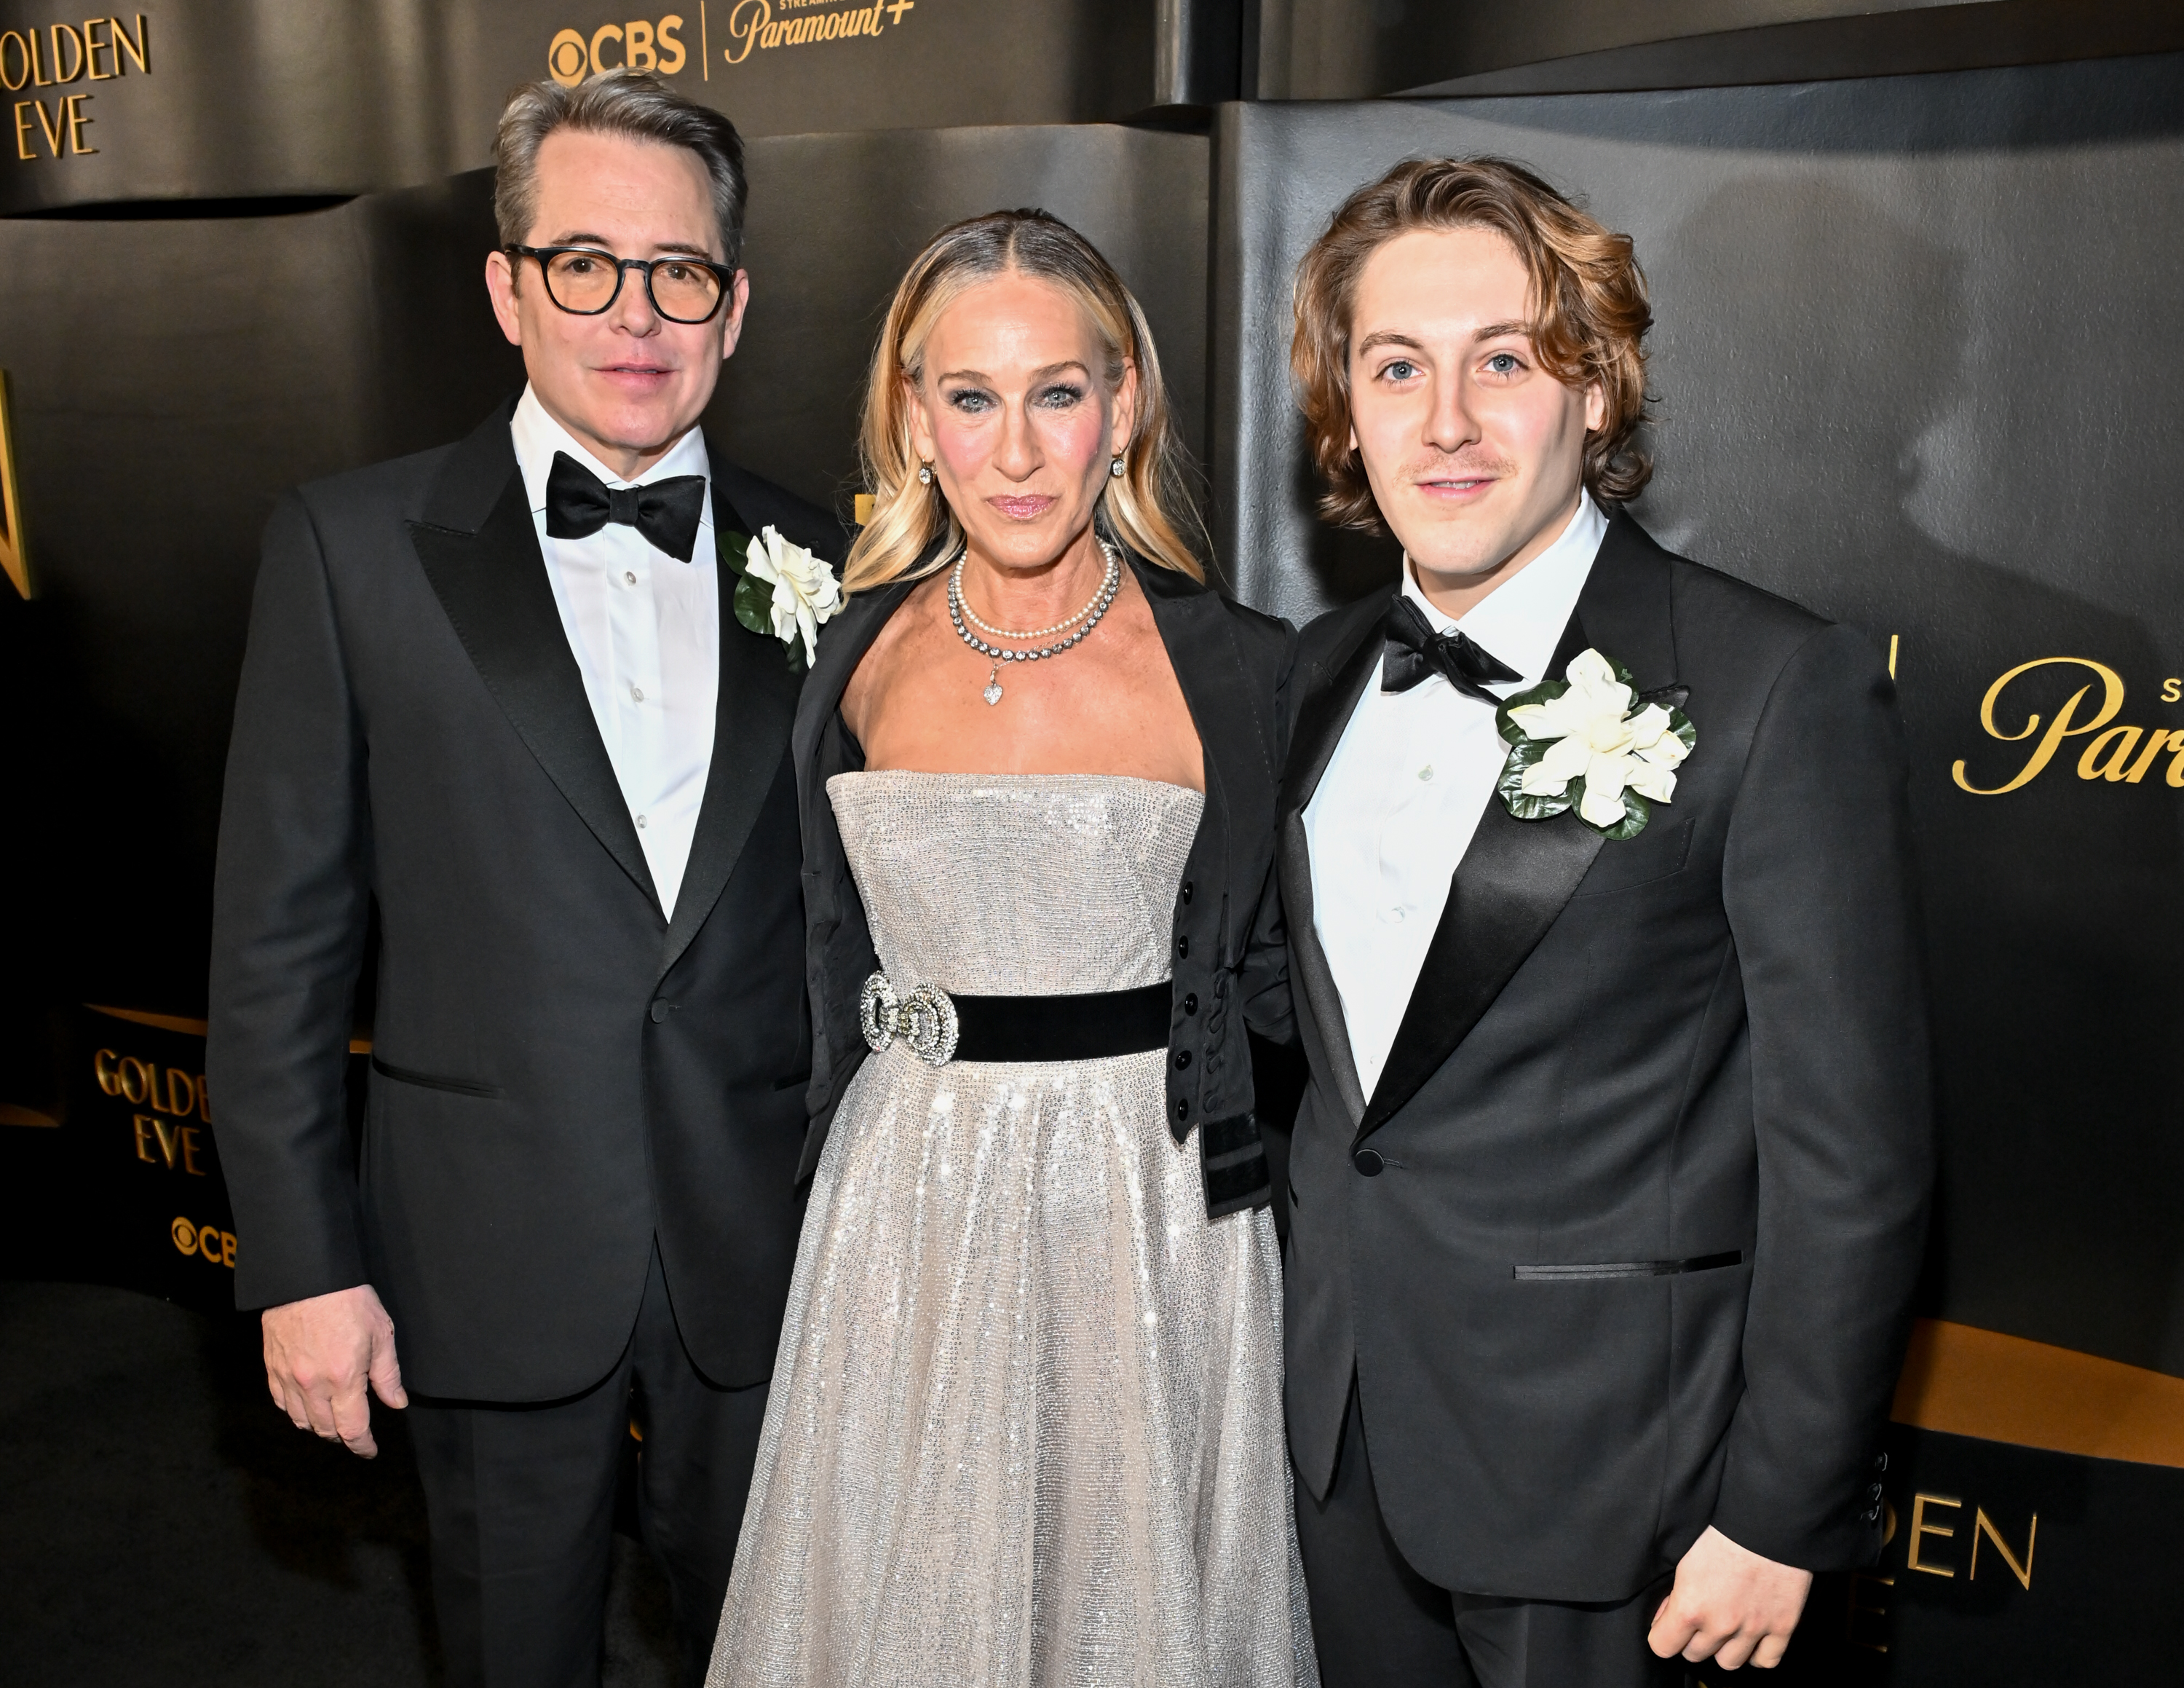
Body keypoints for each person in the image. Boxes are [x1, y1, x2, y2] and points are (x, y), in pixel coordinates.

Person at [207, 71, 844, 1688]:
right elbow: (277, 949)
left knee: (780, 1650)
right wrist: (300, 1263)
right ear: (506, 287)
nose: (636, 314)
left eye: (680, 272)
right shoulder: (350, 549)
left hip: (759, 1252)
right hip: (479, 1250)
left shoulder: (828, 556)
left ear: (736, 302)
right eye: (585, 263)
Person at [1273, 157, 1933, 1685]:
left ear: (1596, 389)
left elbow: (1855, 1153)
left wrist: (1785, 1507)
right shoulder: (1305, 682)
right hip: (1343, 1448)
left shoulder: (1772, 684)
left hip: (1631, 1487)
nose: (1445, 420)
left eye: (1503, 359)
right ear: (1344, 414)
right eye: (1396, 368)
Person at [708, 209, 1317, 1688]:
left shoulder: (1239, 671)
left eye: (1058, 392)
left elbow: (1303, 992)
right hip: (901, 1208)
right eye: (971, 398)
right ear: (914, 420)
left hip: (1149, 1210)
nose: (1020, 448)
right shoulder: (850, 659)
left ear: (1124, 408)